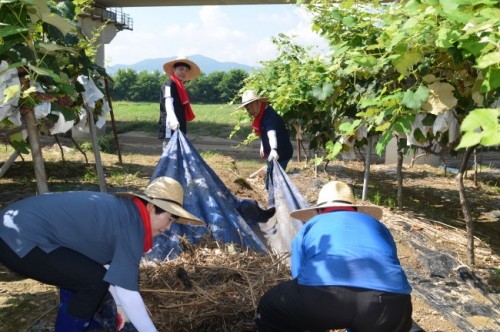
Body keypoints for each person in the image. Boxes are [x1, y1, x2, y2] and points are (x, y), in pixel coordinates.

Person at [0, 176, 205, 332]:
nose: (168, 228)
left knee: (86, 278)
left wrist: (118, 307)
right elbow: (128, 292)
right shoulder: (132, 225)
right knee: (92, 282)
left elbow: (109, 271)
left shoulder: (126, 213)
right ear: (151, 207)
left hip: (13, 229)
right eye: (169, 219)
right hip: (19, 236)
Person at [255, 180, 413, 332]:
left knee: (269, 307)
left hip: (323, 299)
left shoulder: (311, 225)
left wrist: (317, 324)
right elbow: (392, 263)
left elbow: (300, 276)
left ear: (318, 211)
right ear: (355, 209)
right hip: (390, 305)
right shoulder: (378, 226)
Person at [237, 90, 293, 190]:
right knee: (270, 183)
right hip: (272, 154)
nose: (251, 110)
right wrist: (263, 145)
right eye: (248, 108)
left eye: (252, 106)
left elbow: (271, 134)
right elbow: (264, 133)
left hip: (282, 153)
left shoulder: (269, 116)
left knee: (275, 183)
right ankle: (275, 200)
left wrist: (274, 150)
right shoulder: (261, 115)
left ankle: (281, 201)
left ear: (259, 102)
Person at [158, 56, 201, 148]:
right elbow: (168, 103)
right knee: (170, 154)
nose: (184, 72)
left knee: (180, 153)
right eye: (181, 69)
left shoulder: (180, 86)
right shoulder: (169, 84)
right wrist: (173, 120)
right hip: (170, 125)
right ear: (174, 69)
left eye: (186, 70)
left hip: (180, 124)